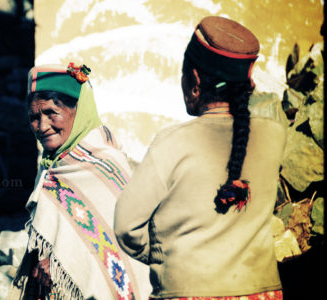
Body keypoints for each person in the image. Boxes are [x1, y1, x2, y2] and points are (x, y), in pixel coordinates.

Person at [114, 16, 286, 299]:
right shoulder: (276, 135)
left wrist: (164, 255)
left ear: (194, 81)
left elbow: (126, 226)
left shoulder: (170, 143)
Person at [8, 63, 151, 299]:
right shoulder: (52, 165)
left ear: (79, 109)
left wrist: (60, 264)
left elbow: (121, 252)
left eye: (51, 113)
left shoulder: (106, 165)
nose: (42, 127)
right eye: (34, 117)